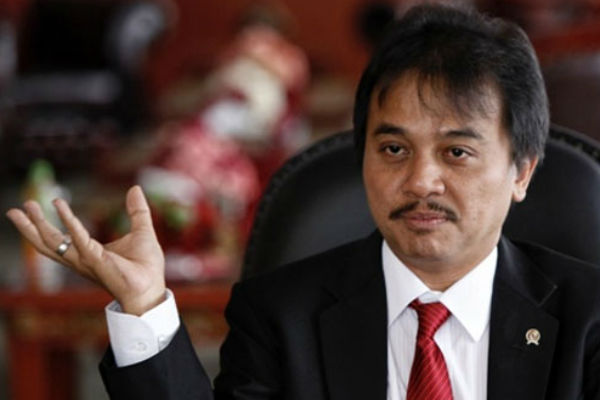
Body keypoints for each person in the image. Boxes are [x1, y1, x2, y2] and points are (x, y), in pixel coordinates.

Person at [6, 4, 600, 400]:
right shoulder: (280, 316)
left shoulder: (589, 320)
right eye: (394, 149)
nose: (421, 181)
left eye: (457, 152)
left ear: (522, 171)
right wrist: (144, 306)